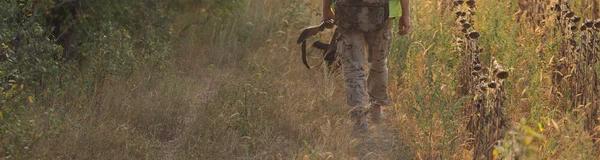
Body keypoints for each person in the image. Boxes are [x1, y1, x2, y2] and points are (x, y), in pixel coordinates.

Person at [322, 0, 410, 131]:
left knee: (352, 67)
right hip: (383, 12)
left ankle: (358, 119)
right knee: (379, 61)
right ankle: (376, 107)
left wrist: (325, 9)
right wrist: (405, 14)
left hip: (347, 11)